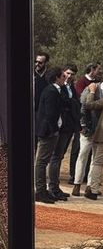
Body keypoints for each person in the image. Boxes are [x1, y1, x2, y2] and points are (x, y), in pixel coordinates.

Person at [72, 72, 103, 195]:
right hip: (88, 129)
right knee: (82, 156)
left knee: (96, 160)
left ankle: (90, 187)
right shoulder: (92, 88)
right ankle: (76, 184)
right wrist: (82, 126)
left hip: (102, 131)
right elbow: (83, 106)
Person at [34, 67, 66, 203]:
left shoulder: (55, 90)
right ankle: (40, 192)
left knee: (43, 161)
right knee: (41, 161)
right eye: (63, 76)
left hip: (50, 130)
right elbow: (50, 114)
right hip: (48, 132)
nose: (65, 78)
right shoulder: (51, 91)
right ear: (57, 78)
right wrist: (54, 130)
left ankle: (42, 190)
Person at [48, 64, 80, 197]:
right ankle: (53, 188)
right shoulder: (58, 87)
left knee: (60, 156)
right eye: (67, 73)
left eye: (72, 74)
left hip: (69, 127)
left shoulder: (71, 86)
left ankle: (56, 187)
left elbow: (74, 104)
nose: (69, 76)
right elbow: (65, 104)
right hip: (61, 127)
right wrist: (72, 103)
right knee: (56, 157)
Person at [70, 63, 102, 180]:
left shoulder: (97, 82)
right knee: (78, 149)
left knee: (89, 153)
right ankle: (74, 175)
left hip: (93, 121)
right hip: (83, 119)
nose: (99, 71)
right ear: (92, 69)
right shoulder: (82, 81)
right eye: (98, 69)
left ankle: (84, 176)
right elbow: (82, 100)